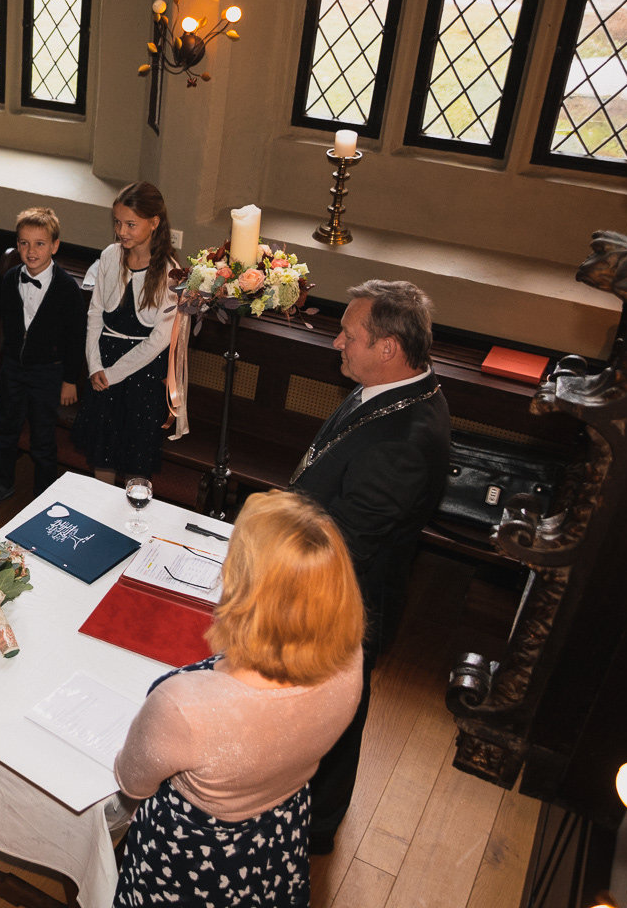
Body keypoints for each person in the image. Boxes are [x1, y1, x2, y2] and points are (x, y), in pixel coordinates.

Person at [113, 490, 365, 907]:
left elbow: (133, 780)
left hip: (192, 858)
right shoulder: (351, 660)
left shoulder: (186, 706)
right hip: (279, 829)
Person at [292, 280, 451, 854]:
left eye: (348, 335)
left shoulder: (405, 439)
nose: (337, 343)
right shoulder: (391, 388)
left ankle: (315, 828)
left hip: (343, 599)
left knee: (333, 713)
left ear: (388, 348)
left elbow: (346, 539)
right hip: (323, 567)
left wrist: (269, 547)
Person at [0, 207, 85, 512]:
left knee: (42, 437)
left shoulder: (66, 288)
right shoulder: (11, 278)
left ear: (54, 246)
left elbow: (76, 338)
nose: (31, 250)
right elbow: (8, 325)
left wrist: (69, 380)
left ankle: (44, 494)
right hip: (13, 368)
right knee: (5, 429)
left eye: (39, 243)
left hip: (48, 372)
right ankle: (1, 483)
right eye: (24, 243)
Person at [71, 182, 177, 482]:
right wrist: (95, 366)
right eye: (117, 222)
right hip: (104, 362)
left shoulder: (169, 271)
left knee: (136, 453)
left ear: (154, 222)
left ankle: (132, 509)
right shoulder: (110, 256)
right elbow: (95, 313)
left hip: (143, 371)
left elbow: (160, 338)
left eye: (131, 224)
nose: (121, 231)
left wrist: (113, 374)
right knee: (102, 449)